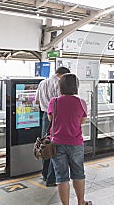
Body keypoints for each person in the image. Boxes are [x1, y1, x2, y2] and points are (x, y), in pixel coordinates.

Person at [48, 73, 90, 205]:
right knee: (78, 173)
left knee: (61, 176)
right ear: (76, 87)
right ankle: (81, 202)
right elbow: (82, 120)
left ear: (60, 86)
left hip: (57, 143)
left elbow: (51, 119)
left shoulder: (54, 102)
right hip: (76, 143)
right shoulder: (81, 102)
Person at [35, 66, 70, 187]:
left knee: (46, 145)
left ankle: (45, 174)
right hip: (56, 117)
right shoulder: (59, 84)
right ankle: (51, 179)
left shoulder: (42, 82)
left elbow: (37, 102)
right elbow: (62, 103)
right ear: (63, 75)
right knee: (55, 147)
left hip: (45, 116)